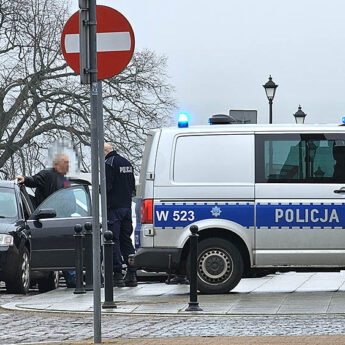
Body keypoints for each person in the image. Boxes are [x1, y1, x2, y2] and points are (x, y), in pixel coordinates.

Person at [15, 153, 76, 288]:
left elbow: (71, 199)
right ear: (56, 164)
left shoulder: (65, 179)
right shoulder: (48, 175)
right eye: (65, 163)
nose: (68, 165)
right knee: (59, 249)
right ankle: (71, 279)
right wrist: (24, 179)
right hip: (48, 220)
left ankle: (72, 279)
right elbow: (34, 180)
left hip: (61, 220)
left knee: (65, 249)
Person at [104, 143, 137, 287]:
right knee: (126, 241)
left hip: (114, 209)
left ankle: (117, 274)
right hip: (127, 207)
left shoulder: (109, 163)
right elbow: (132, 186)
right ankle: (132, 272)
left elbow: (107, 187)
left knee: (113, 241)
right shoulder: (127, 163)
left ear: (105, 152)